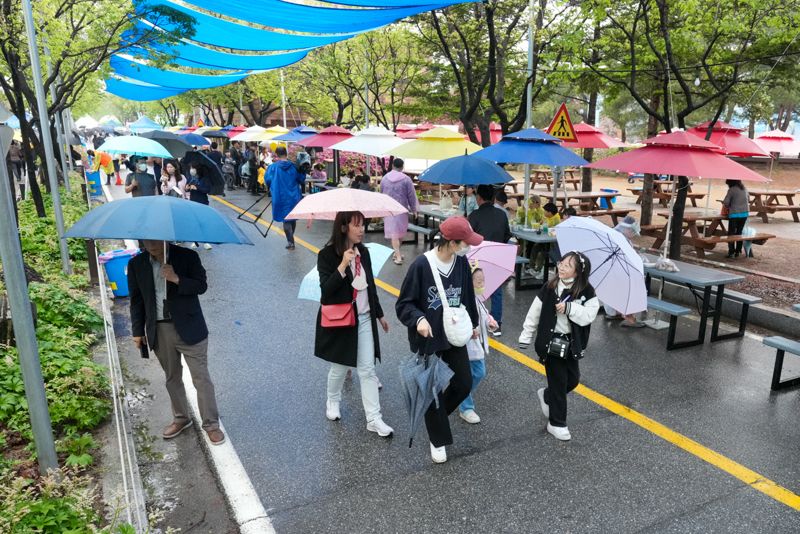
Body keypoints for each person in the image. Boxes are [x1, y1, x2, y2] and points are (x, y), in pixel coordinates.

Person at [396, 216, 482, 463]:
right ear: (452, 243)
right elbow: (404, 304)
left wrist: (474, 324)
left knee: (464, 382)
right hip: (429, 337)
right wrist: (419, 320)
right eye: (465, 243)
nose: (468, 247)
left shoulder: (462, 263)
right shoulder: (421, 266)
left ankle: (436, 417)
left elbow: (467, 297)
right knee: (431, 389)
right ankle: (438, 438)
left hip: (454, 334)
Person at [128, 240, 225, 446]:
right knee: (172, 377)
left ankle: (211, 424)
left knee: (201, 378)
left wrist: (176, 278)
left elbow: (201, 286)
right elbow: (136, 300)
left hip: (190, 328)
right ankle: (181, 418)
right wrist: (137, 331)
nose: (151, 245)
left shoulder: (187, 257)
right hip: (159, 328)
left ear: (165, 238)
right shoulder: (137, 264)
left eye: (155, 240)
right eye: (146, 241)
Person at [315, 211, 394, 437]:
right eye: (357, 226)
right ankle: (332, 400)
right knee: (339, 366)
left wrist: (379, 314)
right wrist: (342, 265)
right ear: (343, 227)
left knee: (367, 370)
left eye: (363, 226)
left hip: (365, 318)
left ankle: (374, 419)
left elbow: (370, 286)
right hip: (342, 320)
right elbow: (326, 294)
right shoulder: (327, 255)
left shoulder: (364, 253)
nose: (362, 230)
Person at [518, 251, 599, 441]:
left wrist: (570, 308)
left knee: (573, 380)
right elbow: (535, 311)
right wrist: (526, 334)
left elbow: (590, 315)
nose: (562, 267)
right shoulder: (550, 286)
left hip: (572, 344)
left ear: (578, 272)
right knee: (559, 381)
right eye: (562, 263)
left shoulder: (586, 290)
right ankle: (557, 423)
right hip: (551, 341)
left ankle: (547, 395)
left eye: (568, 265)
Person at [468, 184, 511, 337]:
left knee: (473, 290)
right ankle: (496, 324)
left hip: (478, 256)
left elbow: (468, 237)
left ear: (478, 198)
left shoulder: (474, 215)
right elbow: (507, 235)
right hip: (497, 255)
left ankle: (474, 322)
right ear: (493, 198)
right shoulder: (502, 215)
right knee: (496, 291)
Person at [458, 264, 498, 424]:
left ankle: (459, 396)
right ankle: (465, 407)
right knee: (467, 377)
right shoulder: (462, 300)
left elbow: (484, 315)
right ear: (468, 281)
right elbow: (456, 320)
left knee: (479, 373)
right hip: (464, 345)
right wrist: (470, 329)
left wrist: (490, 322)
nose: (482, 285)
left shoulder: (477, 299)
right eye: (478, 281)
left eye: (483, 281)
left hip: (476, 346)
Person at [604, 216, 645, 327]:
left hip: (611, 273)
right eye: (633, 232)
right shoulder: (621, 239)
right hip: (620, 273)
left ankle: (615, 312)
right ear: (627, 230)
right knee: (633, 286)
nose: (634, 235)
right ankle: (628, 317)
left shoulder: (614, 236)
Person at [264, 146, 306, 250]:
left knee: (286, 219)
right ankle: (291, 238)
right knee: (292, 218)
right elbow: (301, 179)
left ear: (276, 155)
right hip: (294, 196)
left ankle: (290, 242)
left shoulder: (273, 167)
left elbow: (268, 180)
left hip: (280, 196)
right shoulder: (294, 166)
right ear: (286, 154)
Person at [380, 158, 418, 265]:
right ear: (402, 167)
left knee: (395, 233)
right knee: (398, 233)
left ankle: (396, 253)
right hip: (401, 209)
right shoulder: (406, 179)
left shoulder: (384, 179)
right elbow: (411, 196)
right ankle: (398, 256)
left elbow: (381, 193)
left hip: (389, 209)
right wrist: (414, 209)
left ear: (392, 165)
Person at [186, 163, 213, 250]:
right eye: (190, 168)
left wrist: (197, 188)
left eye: (193, 168)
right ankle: (195, 241)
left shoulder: (205, 179)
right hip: (193, 202)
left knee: (203, 222)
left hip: (202, 202)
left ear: (198, 169)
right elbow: (186, 188)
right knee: (194, 222)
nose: (191, 170)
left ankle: (206, 241)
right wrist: (187, 188)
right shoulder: (190, 178)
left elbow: (207, 190)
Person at [722, 180, 749, 259]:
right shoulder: (745, 189)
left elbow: (726, 202)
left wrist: (726, 203)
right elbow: (748, 199)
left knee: (731, 234)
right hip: (744, 214)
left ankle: (731, 252)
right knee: (739, 233)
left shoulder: (732, 190)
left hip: (734, 214)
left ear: (730, 183)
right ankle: (738, 251)